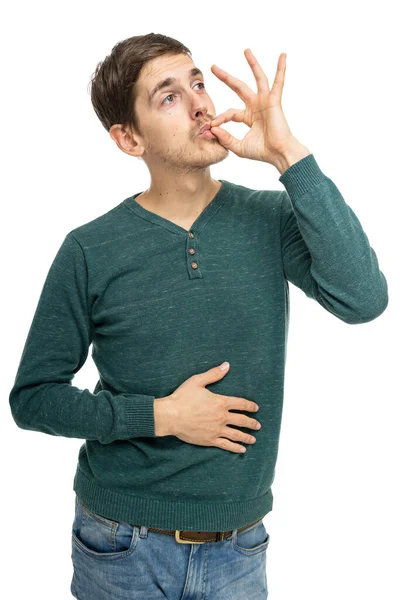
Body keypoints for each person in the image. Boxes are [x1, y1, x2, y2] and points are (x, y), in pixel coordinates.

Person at [9, 33, 389, 599]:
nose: (200, 104)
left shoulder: (271, 219)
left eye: (198, 83)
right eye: (168, 96)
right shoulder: (90, 249)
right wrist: (161, 416)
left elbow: (365, 299)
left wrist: (290, 157)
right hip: (119, 545)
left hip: (239, 548)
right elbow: (33, 397)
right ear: (127, 137)